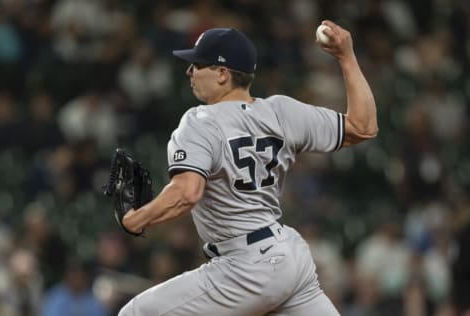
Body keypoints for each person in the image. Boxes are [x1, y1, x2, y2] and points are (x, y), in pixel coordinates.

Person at [118, 20, 378, 316]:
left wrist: (135, 220)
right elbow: (363, 126)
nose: (189, 71)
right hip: (289, 256)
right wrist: (346, 57)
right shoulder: (281, 111)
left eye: (197, 64)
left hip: (245, 267)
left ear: (221, 73)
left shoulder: (200, 121)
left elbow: (187, 193)